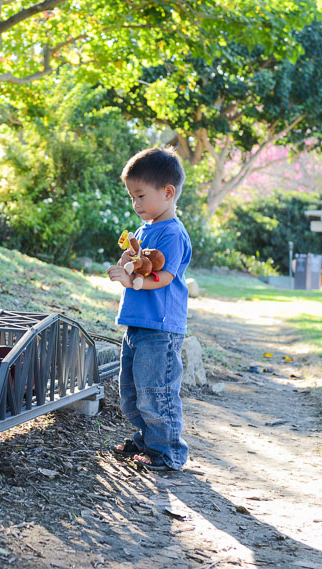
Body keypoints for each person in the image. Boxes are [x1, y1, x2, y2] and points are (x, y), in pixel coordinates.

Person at [106, 147, 192, 472]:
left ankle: (167, 451)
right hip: (137, 324)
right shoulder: (143, 231)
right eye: (132, 197)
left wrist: (131, 282)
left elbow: (163, 276)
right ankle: (145, 440)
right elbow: (133, 262)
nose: (136, 204)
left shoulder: (172, 233)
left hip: (161, 326)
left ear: (168, 193)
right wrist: (123, 266)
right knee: (130, 389)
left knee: (156, 390)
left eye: (141, 195)